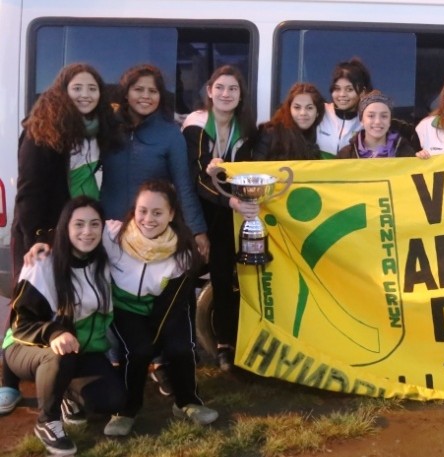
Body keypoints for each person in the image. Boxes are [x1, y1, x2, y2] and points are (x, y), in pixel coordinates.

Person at [3, 62, 119, 415]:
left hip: (79, 229)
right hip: (41, 233)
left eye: (92, 88)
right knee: (31, 304)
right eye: (77, 88)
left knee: (67, 304)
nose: (85, 95)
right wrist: (41, 238)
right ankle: (8, 378)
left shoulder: (99, 130)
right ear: (62, 91)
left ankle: (65, 376)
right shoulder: (43, 130)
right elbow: (28, 193)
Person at [4, 197, 125, 455]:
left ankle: (66, 395)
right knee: (60, 356)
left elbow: (142, 225)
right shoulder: (42, 263)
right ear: (65, 228)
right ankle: (47, 421)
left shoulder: (102, 258)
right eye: (78, 224)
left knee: (112, 400)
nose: (87, 231)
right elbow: (19, 325)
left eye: (95, 224)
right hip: (25, 347)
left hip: (78, 349)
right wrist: (53, 332)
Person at [103, 180, 217, 437]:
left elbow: (172, 304)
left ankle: (187, 402)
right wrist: (42, 246)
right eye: (142, 210)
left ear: (171, 214)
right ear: (134, 210)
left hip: (162, 307)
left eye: (157, 212)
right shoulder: (111, 234)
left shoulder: (183, 252)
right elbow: (76, 237)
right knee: (138, 351)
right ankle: (125, 410)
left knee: (180, 347)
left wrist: (161, 335)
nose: (148, 219)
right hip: (124, 309)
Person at [182, 65, 259, 372]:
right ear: (209, 90)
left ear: (240, 96)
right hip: (199, 211)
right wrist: (230, 200)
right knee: (184, 277)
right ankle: (182, 346)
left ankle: (225, 345)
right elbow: (196, 179)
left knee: (224, 277)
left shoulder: (246, 129)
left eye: (234, 89)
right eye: (221, 87)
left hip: (230, 212)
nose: (226, 94)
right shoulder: (196, 124)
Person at [101, 64, 209, 259]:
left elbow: (183, 185)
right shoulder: (107, 127)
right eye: (138, 89)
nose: (146, 96)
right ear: (126, 93)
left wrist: (197, 230)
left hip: (150, 233)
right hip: (108, 229)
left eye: (153, 91)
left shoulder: (170, 134)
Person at [316, 58, 373, 158]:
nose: (342, 94)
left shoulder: (369, 121)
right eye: (337, 89)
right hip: (317, 173)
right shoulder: (319, 112)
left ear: (362, 92)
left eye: (349, 89)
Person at [253, 82, 325, 161]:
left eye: (309, 108)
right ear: (289, 109)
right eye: (297, 107)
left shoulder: (320, 137)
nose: (303, 113)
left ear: (317, 112)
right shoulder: (270, 133)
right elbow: (257, 168)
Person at [337, 90, 416, 159]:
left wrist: (421, 160)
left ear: (390, 121)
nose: (378, 121)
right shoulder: (345, 155)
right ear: (361, 121)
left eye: (384, 116)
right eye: (371, 116)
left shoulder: (405, 152)